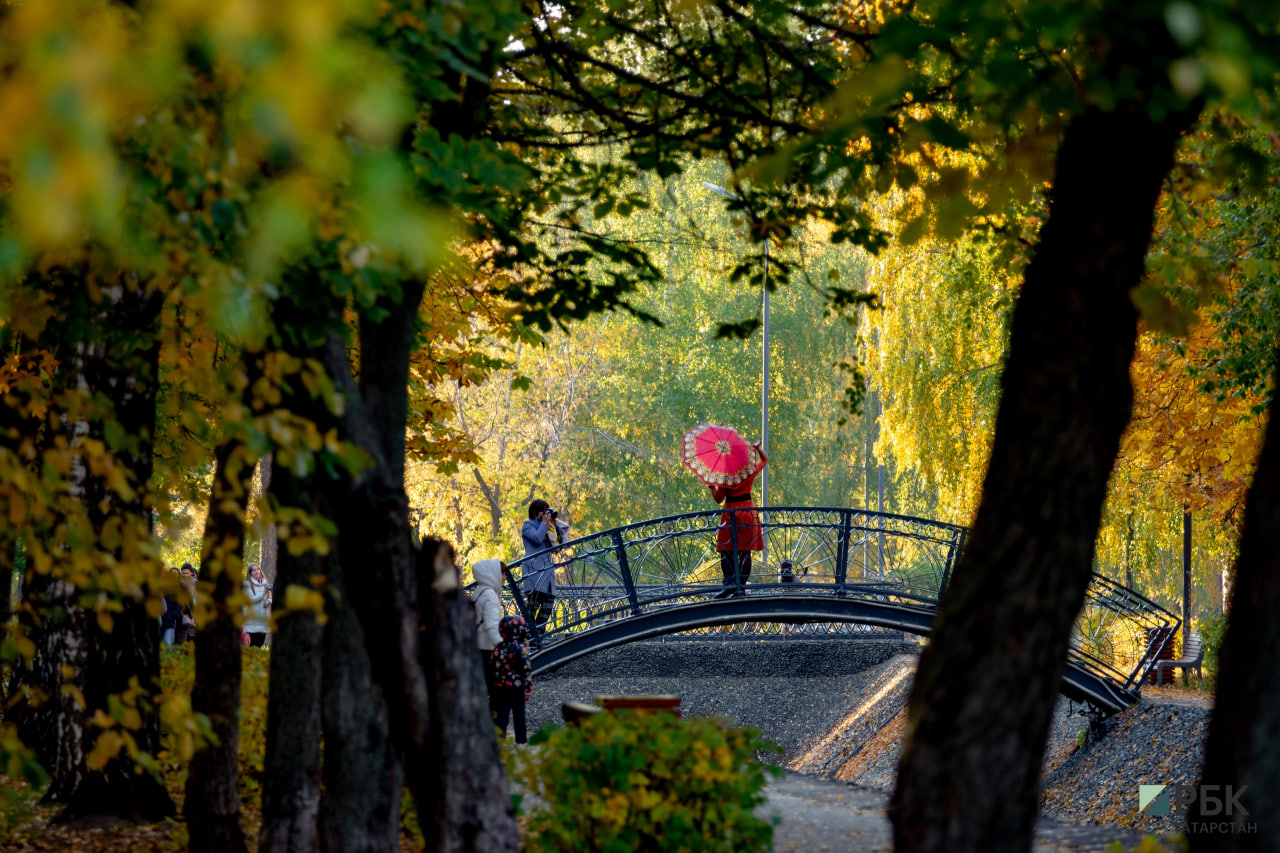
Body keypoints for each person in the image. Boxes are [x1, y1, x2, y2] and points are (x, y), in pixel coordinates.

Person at [709, 443, 768, 598]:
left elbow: (718, 498)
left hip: (731, 513)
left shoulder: (726, 475)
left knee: (725, 551)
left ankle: (729, 585)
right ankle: (740, 588)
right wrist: (757, 449)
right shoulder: (750, 469)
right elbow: (765, 460)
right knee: (745, 551)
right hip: (748, 511)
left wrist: (710, 486)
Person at [521, 499, 569, 636]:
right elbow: (536, 538)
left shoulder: (548, 525)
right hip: (534, 571)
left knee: (548, 604)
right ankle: (528, 634)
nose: (546, 514)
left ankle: (539, 633)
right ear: (536, 512)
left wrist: (555, 526)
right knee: (533, 604)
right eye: (544, 511)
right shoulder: (527, 525)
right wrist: (544, 524)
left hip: (547, 570)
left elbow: (557, 547)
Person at [490, 615, 533, 744]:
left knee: (502, 716)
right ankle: (521, 742)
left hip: (500, 687)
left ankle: (499, 742)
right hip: (516, 688)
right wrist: (528, 687)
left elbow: (492, 667)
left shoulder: (498, 649)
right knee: (519, 716)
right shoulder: (520, 649)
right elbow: (525, 670)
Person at [472, 558, 506, 717]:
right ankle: (495, 729)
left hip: (477, 646)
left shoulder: (479, 591)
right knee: (497, 692)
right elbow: (492, 626)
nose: (504, 578)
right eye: (503, 573)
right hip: (487, 649)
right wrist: (501, 647)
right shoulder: (491, 596)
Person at [243, 562, 272, 647]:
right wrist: (264, 592)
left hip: (262, 622)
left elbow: (270, 598)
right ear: (250, 573)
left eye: (257, 569)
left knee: (259, 645)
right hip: (252, 623)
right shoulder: (247, 585)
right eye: (253, 570)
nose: (256, 572)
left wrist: (269, 601)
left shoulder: (264, 584)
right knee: (252, 646)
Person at [159, 566, 184, 647]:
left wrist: (173, 615)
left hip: (170, 622)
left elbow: (179, 605)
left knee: (167, 643)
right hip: (160, 620)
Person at [177, 562, 198, 643]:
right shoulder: (179, 584)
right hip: (183, 614)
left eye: (187, 573)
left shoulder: (196, 584)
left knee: (193, 638)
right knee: (183, 638)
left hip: (195, 613)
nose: (185, 575)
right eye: (183, 573)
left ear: (191, 572)